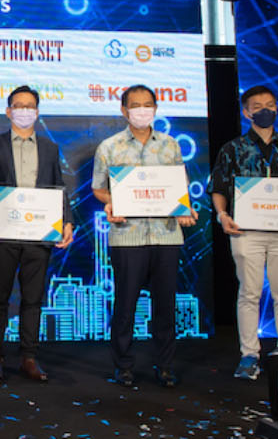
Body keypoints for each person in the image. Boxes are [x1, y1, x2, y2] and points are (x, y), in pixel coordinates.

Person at [91, 85, 198, 388]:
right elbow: (98, 187)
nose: (141, 110)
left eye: (147, 104)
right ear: (124, 111)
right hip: (127, 235)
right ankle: (123, 365)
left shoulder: (171, 145)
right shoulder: (109, 147)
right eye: (134, 105)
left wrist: (185, 210)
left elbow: (180, 188)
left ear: (156, 108)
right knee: (125, 304)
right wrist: (110, 202)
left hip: (166, 235)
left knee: (165, 305)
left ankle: (164, 366)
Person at [210, 85, 278, 381]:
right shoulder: (232, 149)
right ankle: (249, 355)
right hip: (246, 232)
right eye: (257, 106)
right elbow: (218, 188)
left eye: (270, 104)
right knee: (249, 293)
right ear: (247, 112)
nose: (265, 110)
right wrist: (223, 215)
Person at [0, 86, 74, 383]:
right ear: (8, 111)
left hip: (39, 233)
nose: (24, 110)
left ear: (38, 112)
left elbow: (59, 187)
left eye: (30, 106)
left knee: (33, 298)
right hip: (3, 233)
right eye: (18, 105)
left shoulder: (49, 147)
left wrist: (66, 222)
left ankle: (29, 357)